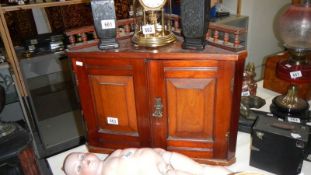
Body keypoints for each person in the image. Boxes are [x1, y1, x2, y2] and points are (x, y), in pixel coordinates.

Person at [63, 148, 232, 175]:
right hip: (158, 173)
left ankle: (231, 174)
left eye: (82, 156)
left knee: (200, 169)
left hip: (163, 157)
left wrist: (158, 151)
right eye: (79, 168)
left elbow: (133, 151)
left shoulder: (113, 154)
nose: (84, 161)